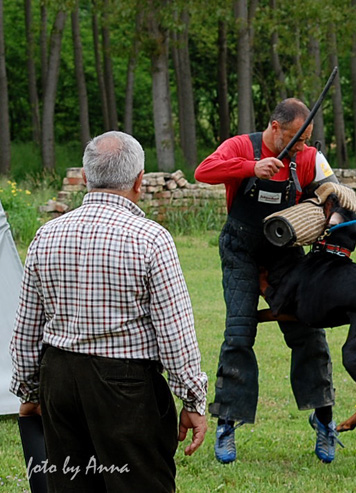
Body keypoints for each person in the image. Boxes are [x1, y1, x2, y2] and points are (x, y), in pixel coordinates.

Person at [10, 131, 208, 492]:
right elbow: (175, 332)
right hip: (126, 387)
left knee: (71, 485)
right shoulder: (151, 239)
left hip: (59, 379)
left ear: (86, 177)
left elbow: (26, 327)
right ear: (139, 180)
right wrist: (192, 399)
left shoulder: (46, 235)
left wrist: (30, 391)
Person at [195, 98, 341, 464]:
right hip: (240, 251)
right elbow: (203, 171)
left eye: (307, 138)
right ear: (275, 128)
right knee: (239, 333)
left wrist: (332, 213)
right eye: (296, 138)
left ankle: (324, 419)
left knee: (309, 330)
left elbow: (336, 193)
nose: (303, 146)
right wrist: (251, 168)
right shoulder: (241, 146)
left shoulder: (308, 157)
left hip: (285, 253)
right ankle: (227, 424)